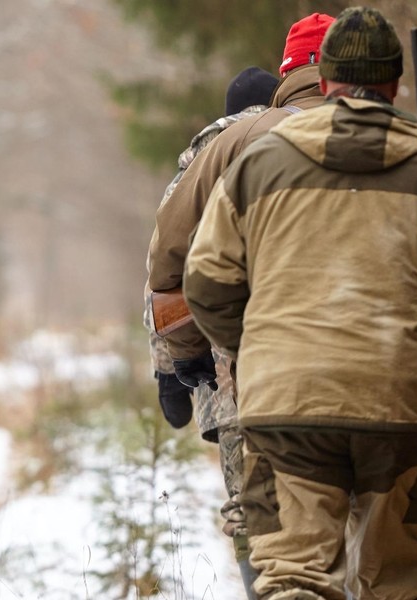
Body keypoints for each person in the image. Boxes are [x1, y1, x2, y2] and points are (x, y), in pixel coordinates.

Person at [183, 7, 417, 599]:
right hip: (401, 399)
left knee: (292, 576)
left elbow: (207, 281)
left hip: (284, 407)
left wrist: (257, 353)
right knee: (388, 578)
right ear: (395, 81)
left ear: (326, 78)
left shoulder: (255, 162)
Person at [146, 14, 333, 595]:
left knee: (258, 514)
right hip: (377, 369)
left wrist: (177, 363)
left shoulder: (220, 147)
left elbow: (165, 265)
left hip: (250, 373)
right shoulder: (394, 132)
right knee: (369, 515)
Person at [144, 64, 277, 598]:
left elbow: (162, 275)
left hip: (227, 380)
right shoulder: (303, 147)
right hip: (320, 357)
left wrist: (168, 369)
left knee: (250, 510)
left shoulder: (200, 167)